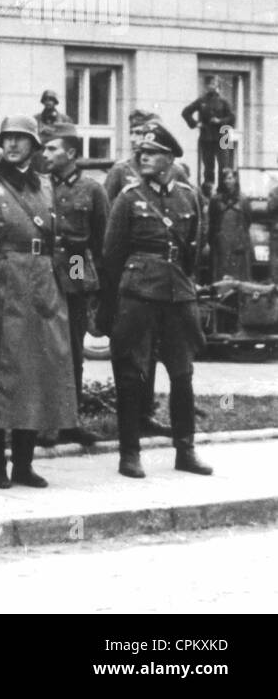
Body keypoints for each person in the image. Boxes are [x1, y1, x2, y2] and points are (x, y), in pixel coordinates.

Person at [0, 115, 76, 489]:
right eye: (7, 138)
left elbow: (60, 241)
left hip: (40, 286)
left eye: (20, 139)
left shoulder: (46, 187)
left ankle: (24, 464)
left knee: (35, 374)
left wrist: (60, 283)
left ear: (35, 146)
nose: (12, 145)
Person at [100, 124, 213, 480]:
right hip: (137, 295)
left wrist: (183, 281)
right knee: (131, 375)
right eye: (141, 152)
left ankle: (185, 450)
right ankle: (129, 454)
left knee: (182, 374)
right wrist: (109, 305)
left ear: (169, 159)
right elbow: (111, 255)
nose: (143, 157)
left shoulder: (188, 196)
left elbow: (195, 247)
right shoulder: (128, 198)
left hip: (178, 295)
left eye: (152, 153)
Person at [103, 110, 182, 438]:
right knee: (131, 353)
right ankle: (130, 423)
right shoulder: (121, 172)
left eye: (145, 133)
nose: (139, 140)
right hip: (131, 276)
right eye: (135, 133)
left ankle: (146, 414)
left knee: (155, 352)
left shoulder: (175, 173)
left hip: (164, 279)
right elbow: (108, 222)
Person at [42, 122, 108, 447]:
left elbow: (100, 240)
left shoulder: (92, 189)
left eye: (52, 148)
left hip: (77, 264)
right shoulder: (39, 185)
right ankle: (44, 423)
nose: (46, 154)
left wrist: (91, 286)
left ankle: (70, 421)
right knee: (44, 348)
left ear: (70, 153)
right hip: (43, 271)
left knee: (72, 348)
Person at [181, 76, 236, 190]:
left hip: (223, 134)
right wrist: (196, 123)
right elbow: (186, 112)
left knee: (224, 166)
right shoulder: (201, 101)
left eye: (214, 83)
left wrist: (220, 121)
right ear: (206, 86)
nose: (212, 86)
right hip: (207, 135)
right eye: (210, 84)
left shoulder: (224, 101)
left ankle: (224, 190)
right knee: (208, 166)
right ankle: (208, 190)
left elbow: (232, 118)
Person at [208, 167, 250, 283]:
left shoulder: (243, 199)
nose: (227, 181)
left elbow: (248, 220)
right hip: (221, 241)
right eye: (225, 179)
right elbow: (212, 221)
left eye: (230, 178)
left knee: (238, 274)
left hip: (238, 241)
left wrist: (242, 237)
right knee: (221, 271)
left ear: (235, 180)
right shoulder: (215, 199)